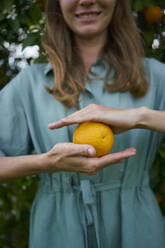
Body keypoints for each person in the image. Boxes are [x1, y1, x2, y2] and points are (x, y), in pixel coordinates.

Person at [0, 0, 165, 247]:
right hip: (57, 231)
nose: (85, 0)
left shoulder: (156, 76)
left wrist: (141, 116)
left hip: (138, 230)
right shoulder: (29, 84)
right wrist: (46, 163)